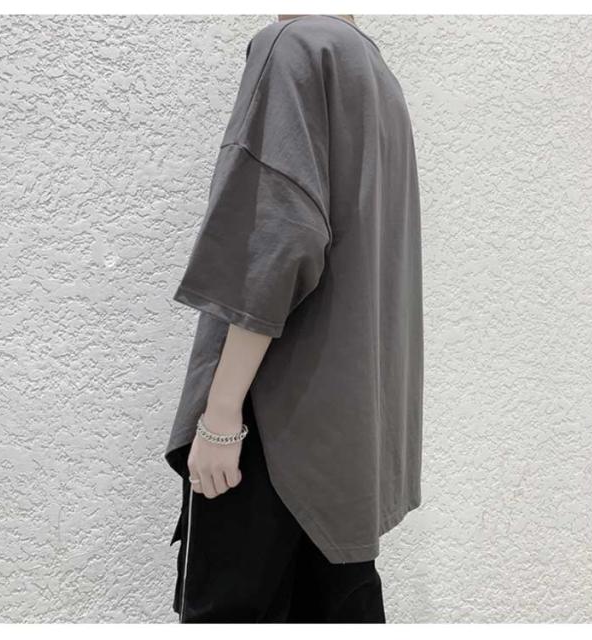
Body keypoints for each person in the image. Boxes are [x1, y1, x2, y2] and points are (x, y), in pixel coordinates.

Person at [165, 13, 423, 623]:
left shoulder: (293, 46)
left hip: (276, 432)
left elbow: (276, 240)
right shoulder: (375, 71)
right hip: (346, 438)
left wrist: (221, 418)